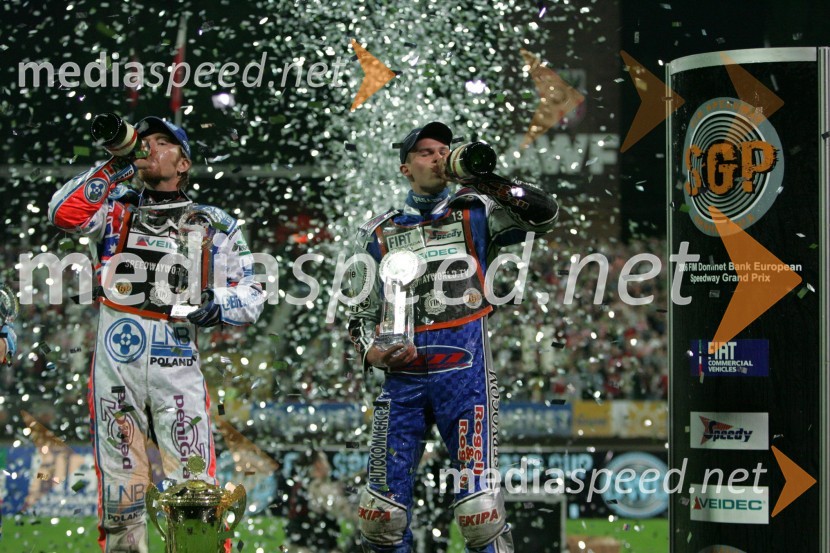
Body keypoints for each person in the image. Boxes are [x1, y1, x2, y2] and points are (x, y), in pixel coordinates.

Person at [48, 115, 264, 552]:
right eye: (142, 141)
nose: (148, 148)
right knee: (122, 495)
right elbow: (63, 215)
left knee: (195, 494)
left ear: (183, 163)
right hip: (116, 356)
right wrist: (114, 166)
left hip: (177, 360)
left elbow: (255, 292)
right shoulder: (116, 206)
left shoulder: (213, 221)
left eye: (161, 143)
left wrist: (215, 304)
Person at [347, 122, 558, 553]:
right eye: (425, 152)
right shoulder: (380, 233)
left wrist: (489, 180)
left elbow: (546, 214)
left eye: (444, 149)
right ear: (406, 168)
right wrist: (371, 351)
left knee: (480, 511)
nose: (438, 157)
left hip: (467, 379)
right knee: (380, 514)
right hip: (402, 383)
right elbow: (360, 312)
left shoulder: (476, 211)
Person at [285, 449, 359, 552]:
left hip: (297, 546)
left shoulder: (303, 484)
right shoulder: (319, 487)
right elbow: (344, 510)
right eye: (324, 460)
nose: (327, 464)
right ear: (318, 464)